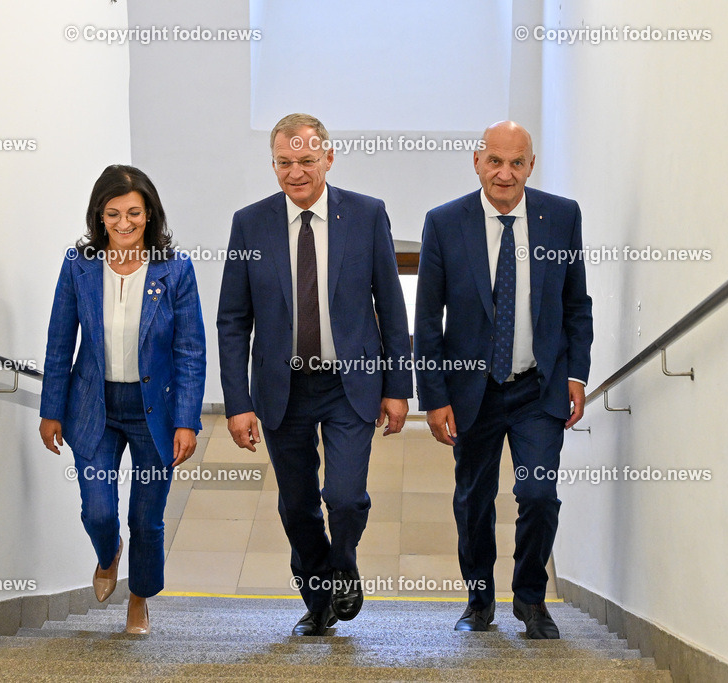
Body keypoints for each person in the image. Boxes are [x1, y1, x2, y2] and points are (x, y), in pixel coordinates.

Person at [217, 113, 412, 636]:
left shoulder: (368, 216)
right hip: (283, 390)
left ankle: (342, 564)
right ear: (273, 164)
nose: (296, 172)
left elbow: (391, 308)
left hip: (349, 384)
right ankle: (318, 596)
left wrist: (398, 387)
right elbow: (234, 320)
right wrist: (237, 402)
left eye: (306, 160)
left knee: (345, 498)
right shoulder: (250, 223)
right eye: (285, 162)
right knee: (297, 505)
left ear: (328, 157)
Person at [413, 121, 593, 639]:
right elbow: (427, 320)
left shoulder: (561, 217)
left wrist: (576, 374)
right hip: (473, 391)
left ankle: (531, 598)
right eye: (495, 161)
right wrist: (435, 396)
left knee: (538, 495)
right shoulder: (445, 223)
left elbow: (576, 304)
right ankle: (478, 597)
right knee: (473, 498)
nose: (505, 173)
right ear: (477, 161)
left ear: (530, 165)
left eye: (516, 162)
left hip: (540, 388)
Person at [39, 164, 207, 635]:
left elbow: (190, 349)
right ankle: (108, 552)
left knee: (146, 519)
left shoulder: (175, 270)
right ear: (100, 215)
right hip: (93, 409)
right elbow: (59, 342)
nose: (125, 222)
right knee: (98, 510)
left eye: (134, 212)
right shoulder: (80, 266)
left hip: (156, 412)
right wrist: (51, 410)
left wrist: (187, 420)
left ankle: (140, 599)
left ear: (149, 213)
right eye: (113, 214)